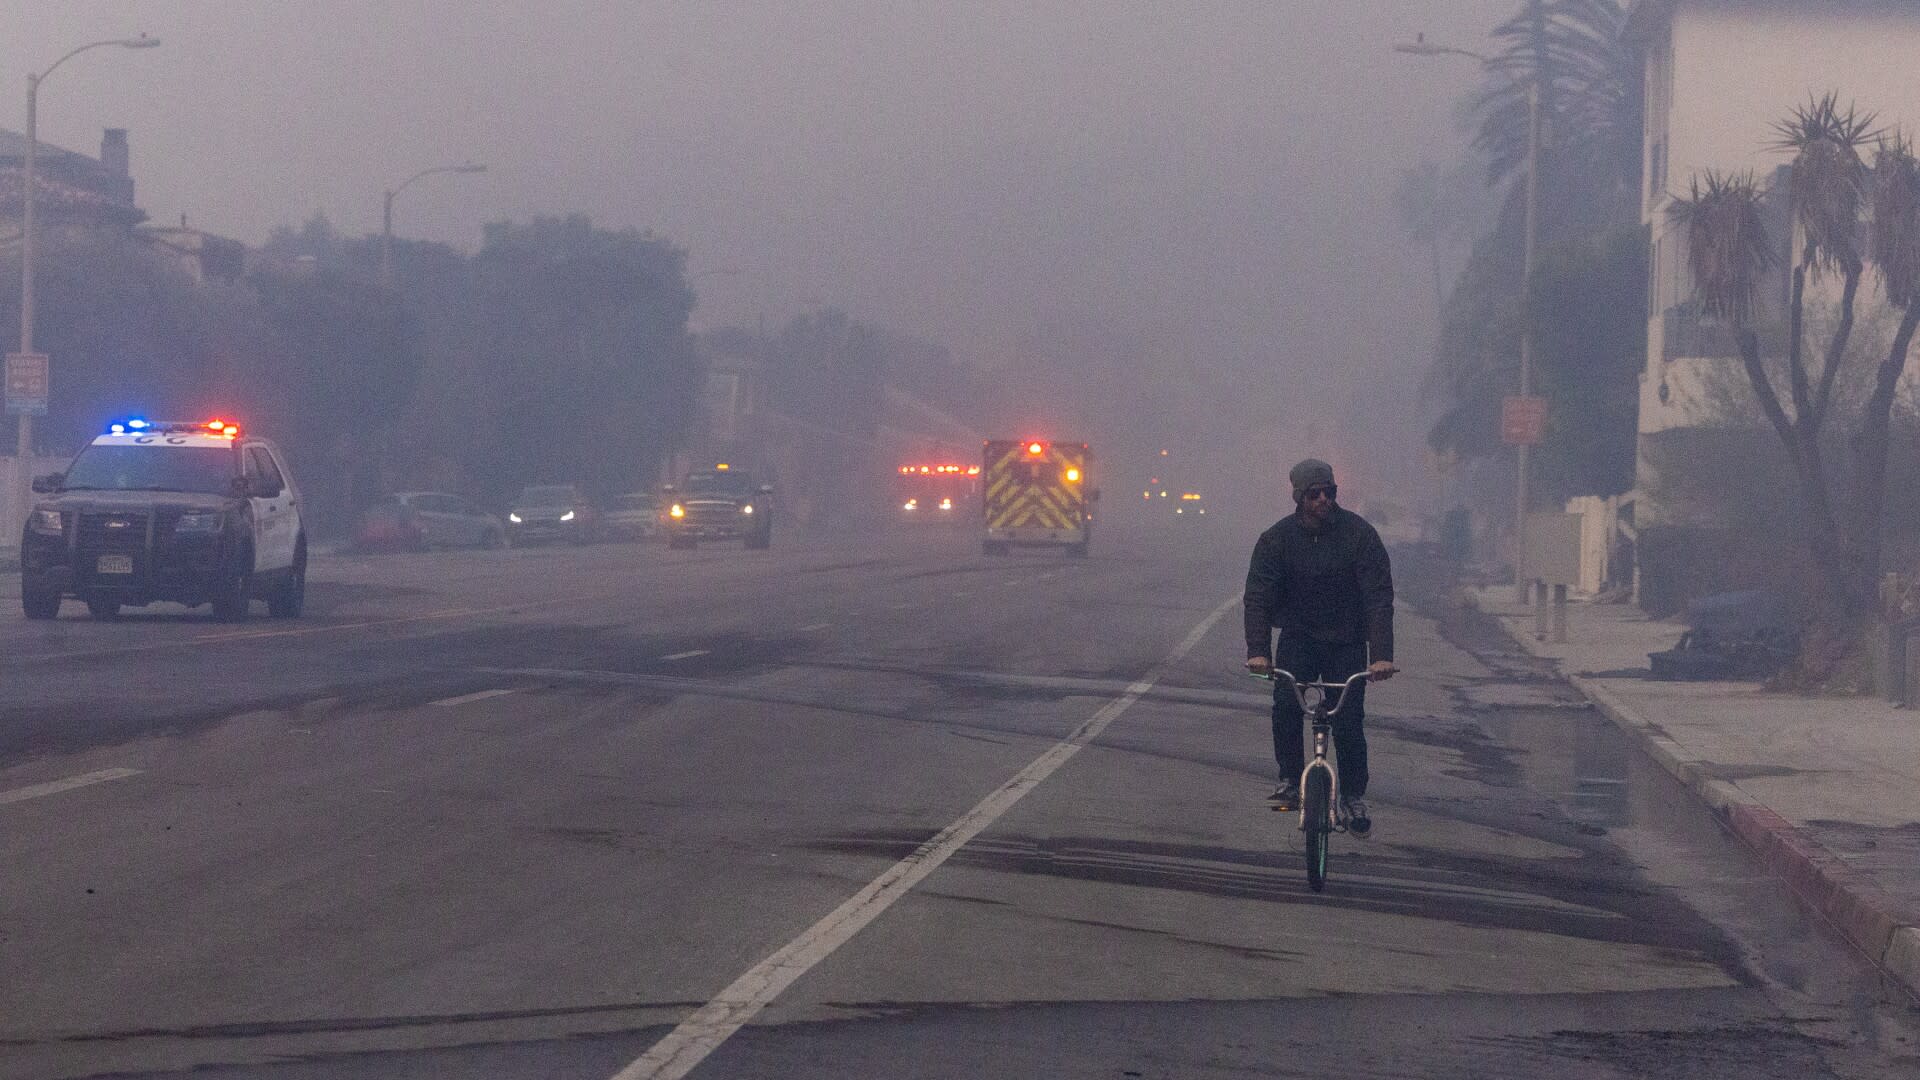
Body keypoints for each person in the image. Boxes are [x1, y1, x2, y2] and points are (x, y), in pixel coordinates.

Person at [1243, 459, 1397, 838]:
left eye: (1330, 492)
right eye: (1315, 494)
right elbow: (1258, 596)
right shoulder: (1276, 540)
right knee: (1285, 705)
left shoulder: (1361, 537)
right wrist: (1258, 650)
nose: (1324, 500)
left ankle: (1353, 796)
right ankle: (1291, 781)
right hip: (1299, 638)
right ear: (1299, 497)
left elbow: (1378, 597)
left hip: (1346, 642)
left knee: (1348, 720)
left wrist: (1380, 655)